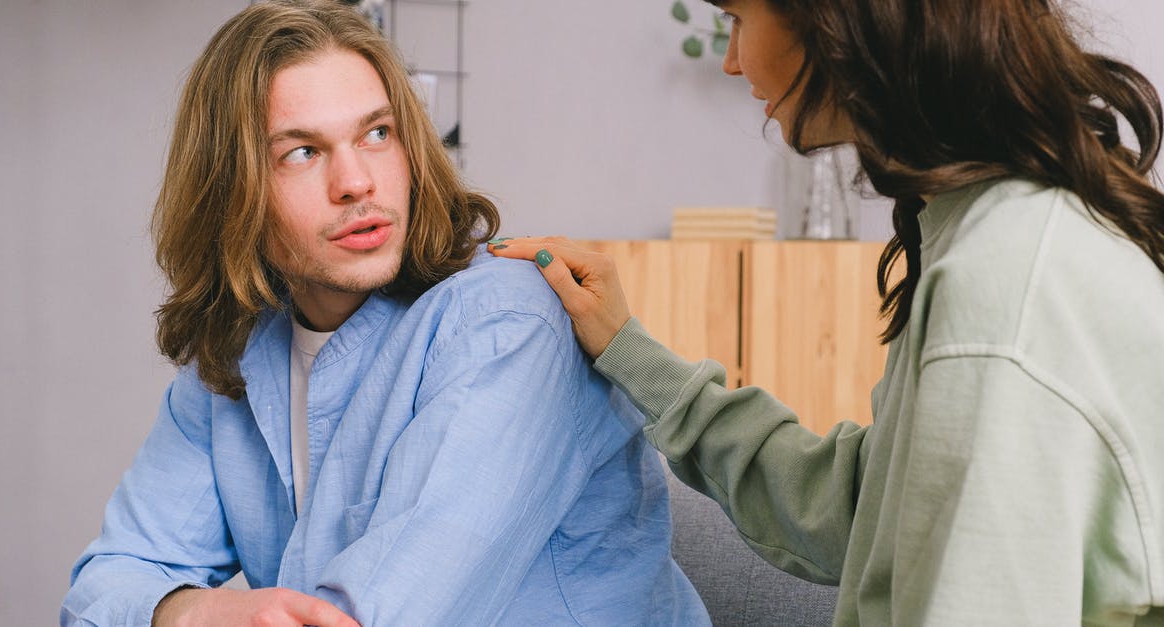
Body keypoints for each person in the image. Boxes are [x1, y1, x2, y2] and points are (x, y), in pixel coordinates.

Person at [492, 0, 1164, 623]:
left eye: (736, 17)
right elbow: (861, 511)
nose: (731, 60)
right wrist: (629, 349)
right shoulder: (987, 229)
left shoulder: (1004, 289)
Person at [60, 2, 709, 625]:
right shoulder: (231, 365)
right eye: (302, 152)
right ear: (233, 192)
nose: (356, 182)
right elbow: (104, 584)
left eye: (377, 133)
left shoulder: (509, 322)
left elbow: (378, 615)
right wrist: (190, 609)